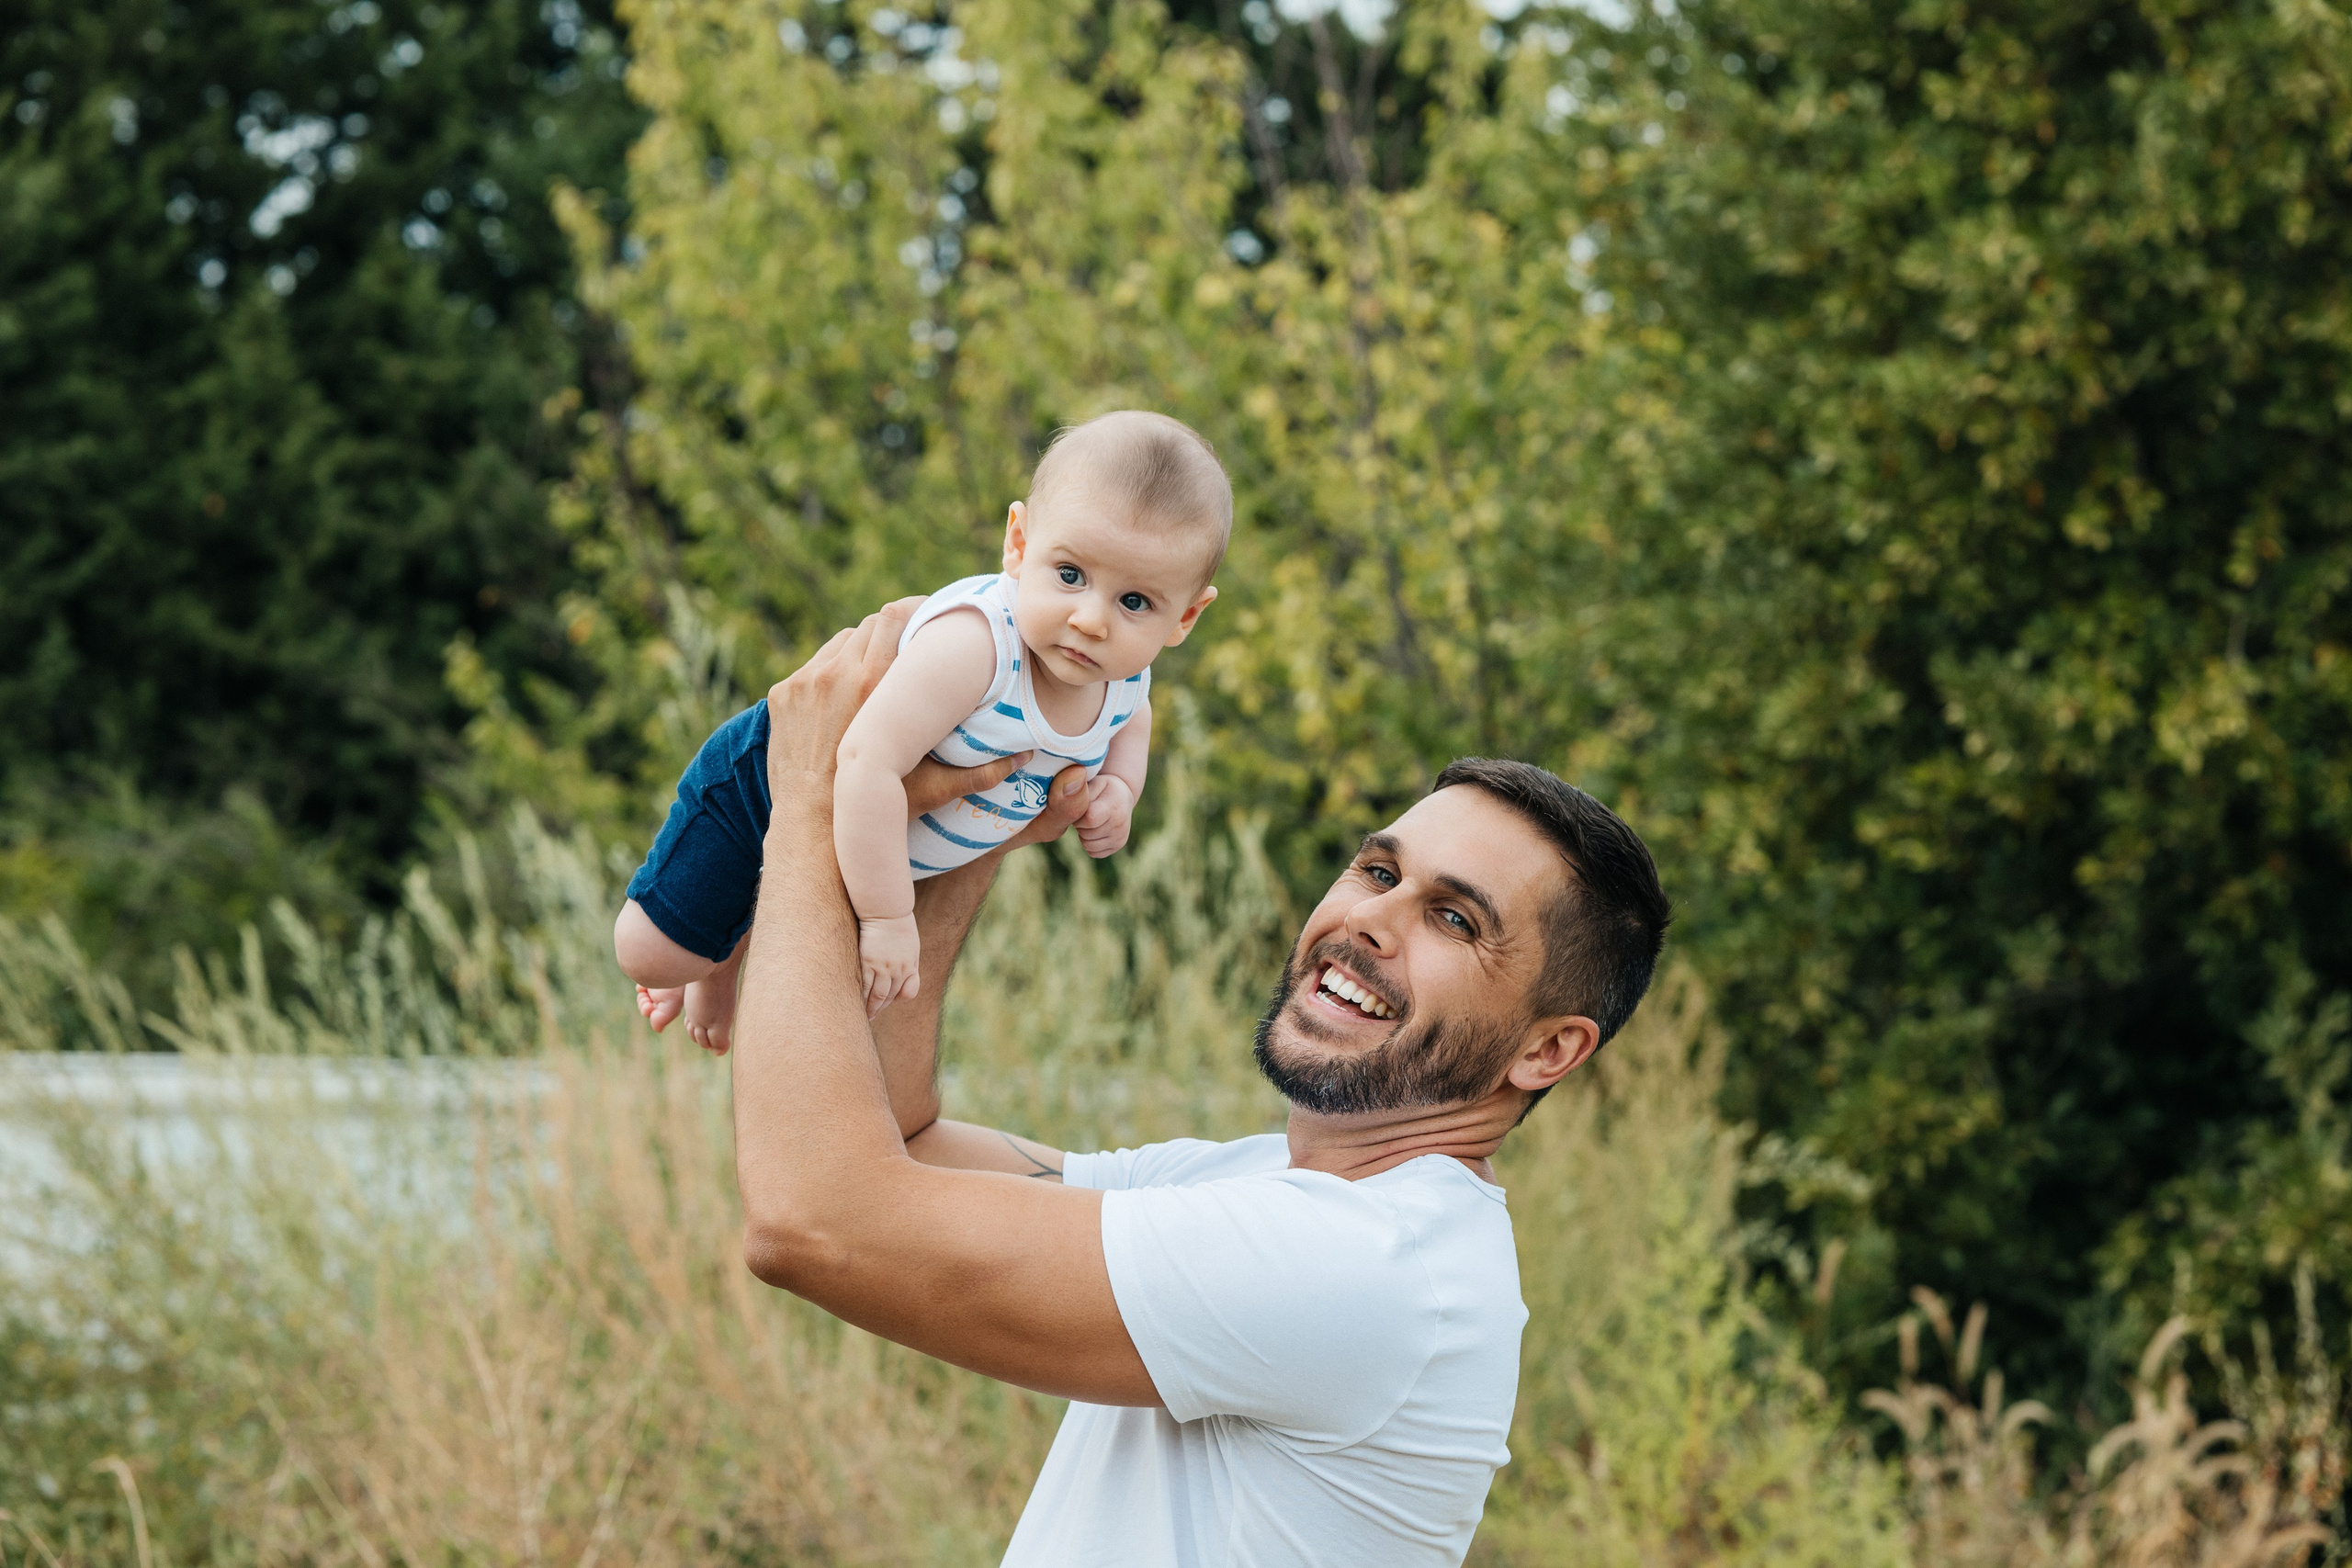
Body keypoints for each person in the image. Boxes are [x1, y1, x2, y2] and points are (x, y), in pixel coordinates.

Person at [726, 602, 1673, 1567]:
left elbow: (814, 1219)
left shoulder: (1370, 1266)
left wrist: (809, 797)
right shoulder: (1257, 1189)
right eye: (1378, 869)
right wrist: (997, 812)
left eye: (1456, 921)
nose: (1372, 920)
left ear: (1548, 1051)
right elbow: (906, 1143)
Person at [613, 410, 1229, 1046]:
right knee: (651, 954)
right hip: (778, 777)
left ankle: (729, 942)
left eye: (1135, 602)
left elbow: (1134, 716)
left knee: (819, 987)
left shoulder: (1125, 674)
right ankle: (710, 957)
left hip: (877, 834)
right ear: (1018, 545)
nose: (1092, 619)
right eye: (1070, 575)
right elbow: (863, 761)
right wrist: (886, 919)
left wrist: (1121, 790)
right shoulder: (978, 648)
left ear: (1184, 616)